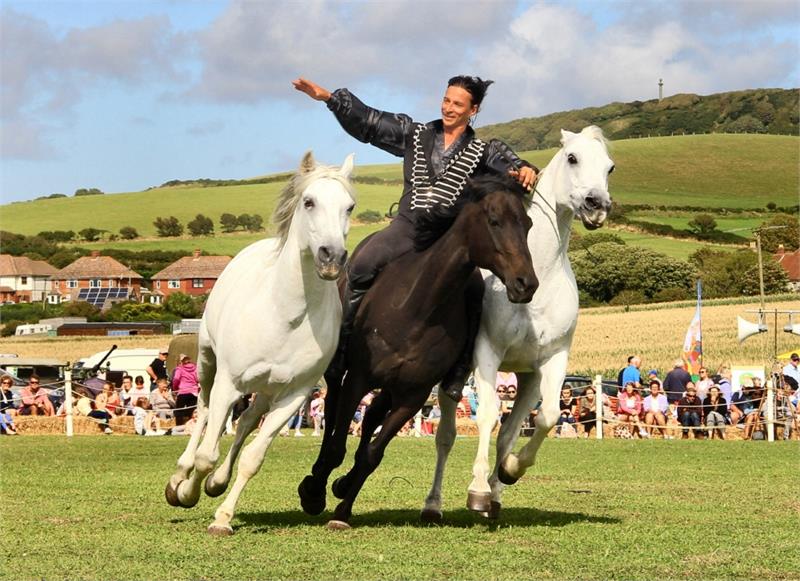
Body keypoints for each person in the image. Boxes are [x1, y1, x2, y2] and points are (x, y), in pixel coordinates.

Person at [293, 75, 538, 402]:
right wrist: (330, 98)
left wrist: (524, 167)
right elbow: (371, 122)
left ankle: (458, 369)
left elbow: (510, 165)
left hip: (449, 237)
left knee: (476, 289)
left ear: (473, 110)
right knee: (364, 263)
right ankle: (340, 347)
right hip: (407, 227)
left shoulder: (484, 150)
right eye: (447, 100)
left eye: (458, 104)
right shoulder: (416, 134)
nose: (449, 108)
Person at [171, 353, 199, 427]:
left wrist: (175, 388)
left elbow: (176, 379)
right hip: (193, 392)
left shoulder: (180, 369)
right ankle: (192, 426)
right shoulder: (195, 368)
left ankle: (179, 426)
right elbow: (198, 378)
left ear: (181, 361)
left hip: (183, 392)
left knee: (179, 410)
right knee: (192, 411)